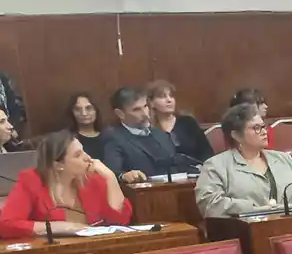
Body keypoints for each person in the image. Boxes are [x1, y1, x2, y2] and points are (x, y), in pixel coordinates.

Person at [0, 129, 131, 239]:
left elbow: (120, 221)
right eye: (78, 155)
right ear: (59, 165)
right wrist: (58, 227)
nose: (88, 157)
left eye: (84, 151)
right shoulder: (32, 181)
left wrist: (111, 178)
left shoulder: (92, 178)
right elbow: (6, 225)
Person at [195, 102, 292, 217]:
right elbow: (209, 204)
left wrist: (287, 209)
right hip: (245, 231)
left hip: (291, 225)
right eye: (256, 128)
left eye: (264, 127)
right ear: (236, 135)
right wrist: (256, 210)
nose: (264, 132)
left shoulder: (283, 158)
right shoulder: (216, 166)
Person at [102, 86, 196, 183]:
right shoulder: (114, 138)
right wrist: (124, 176)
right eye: (136, 109)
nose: (145, 114)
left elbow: (177, 166)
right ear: (120, 114)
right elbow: (112, 173)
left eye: (145, 106)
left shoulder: (162, 135)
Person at [145, 80, 213, 166]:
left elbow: (207, 153)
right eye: (162, 97)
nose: (169, 100)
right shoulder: (147, 128)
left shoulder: (188, 123)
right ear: (151, 103)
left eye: (171, 96)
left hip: (195, 173)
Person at [65, 93, 105, 160]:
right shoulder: (68, 139)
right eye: (77, 109)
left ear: (96, 110)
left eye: (88, 108)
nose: (84, 113)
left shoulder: (109, 135)